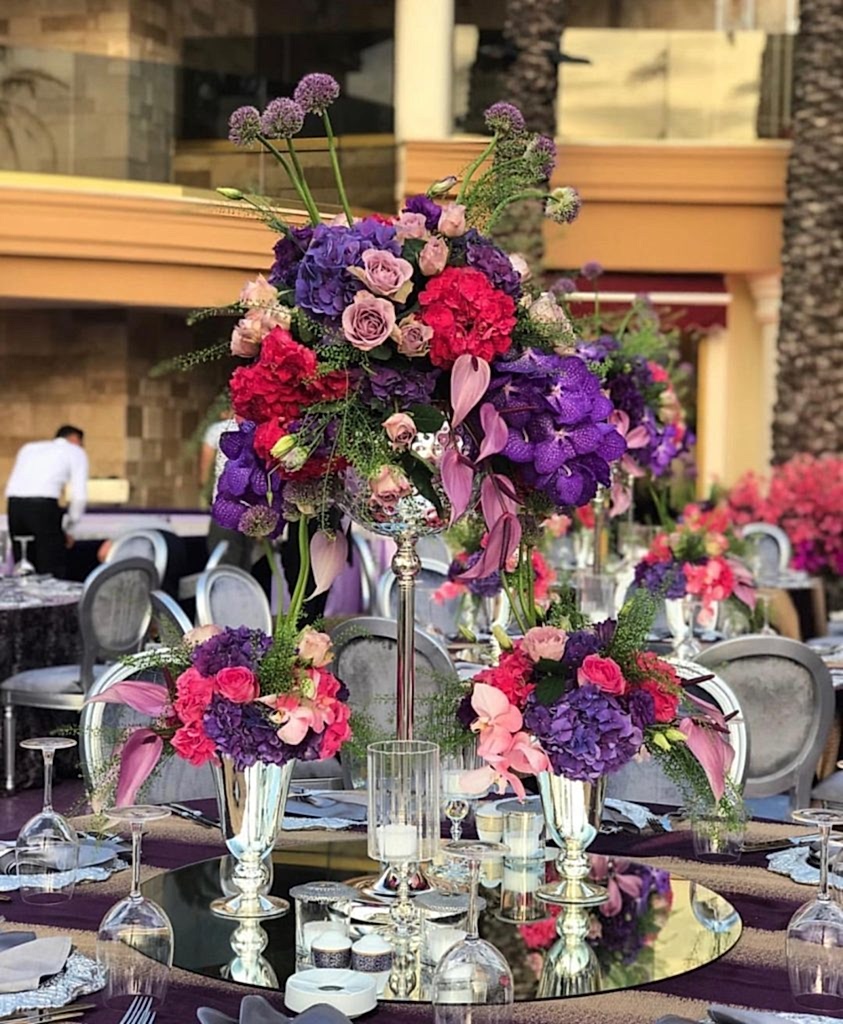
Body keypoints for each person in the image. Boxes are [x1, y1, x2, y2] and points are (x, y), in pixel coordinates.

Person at [5, 425, 88, 578]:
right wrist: (69, 528)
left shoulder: (29, 448)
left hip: (15, 505)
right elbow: (79, 496)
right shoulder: (75, 451)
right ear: (75, 439)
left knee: (23, 561)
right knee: (51, 566)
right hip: (43, 506)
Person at [200, 408, 255, 573]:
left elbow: (204, 468)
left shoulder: (219, 429)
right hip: (252, 507)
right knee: (244, 562)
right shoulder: (259, 430)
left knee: (223, 561)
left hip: (226, 505)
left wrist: (204, 490)